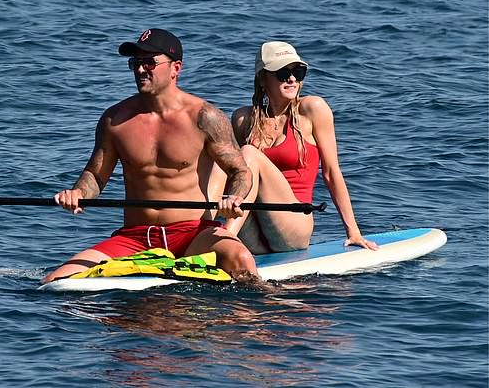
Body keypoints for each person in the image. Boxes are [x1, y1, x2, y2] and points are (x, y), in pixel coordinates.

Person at [41, 28, 259, 284]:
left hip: (192, 234)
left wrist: (234, 197)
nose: (140, 69)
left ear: (176, 68)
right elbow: (95, 175)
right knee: (55, 281)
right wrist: (78, 193)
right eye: (135, 62)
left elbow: (240, 171)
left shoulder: (205, 117)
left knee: (242, 260)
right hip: (135, 238)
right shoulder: (115, 120)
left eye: (149, 62)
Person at [209, 41, 377, 253]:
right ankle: (199, 232)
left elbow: (331, 173)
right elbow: (230, 174)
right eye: (282, 73)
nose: (292, 79)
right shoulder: (243, 119)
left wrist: (353, 232)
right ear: (262, 78)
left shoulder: (312, 109)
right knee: (220, 160)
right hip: (252, 225)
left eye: (298, 72)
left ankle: (223, 240)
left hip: (293, 225)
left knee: (248, 153)